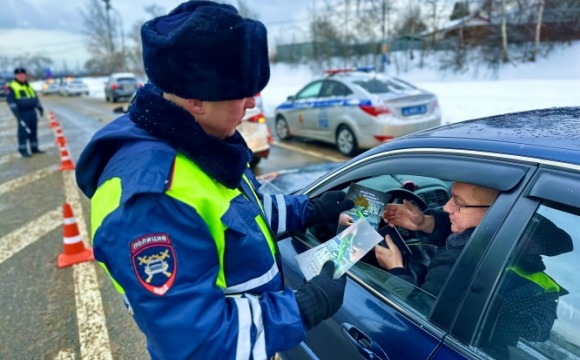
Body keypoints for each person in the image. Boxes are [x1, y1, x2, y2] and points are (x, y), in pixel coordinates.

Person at [75, 1, 354, 359]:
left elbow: (237, 216)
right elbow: (200, 343)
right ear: (196, 101)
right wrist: (304, 307)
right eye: (242, 93)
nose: (253, 103)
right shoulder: (151, 200)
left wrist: (309, 209)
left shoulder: (198, 141)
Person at [375, 181, 499, 297]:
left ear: (492, 210)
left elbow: (417, 310)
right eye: (451, 197)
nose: (446, 207)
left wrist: (395, 269)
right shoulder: (499, 236)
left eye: (459, 202)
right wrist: (423, 223)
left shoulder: (455, 265)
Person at [6, 67, 45, 157]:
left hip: (32, 112)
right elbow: (10, 100)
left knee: (33, 131)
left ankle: (34, 148)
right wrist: (15, 111)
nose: (21, 76)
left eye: (23, 75)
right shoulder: (12, 86)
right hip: (22, 113)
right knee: (23, 132)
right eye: (19, 75)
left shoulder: (28, 85)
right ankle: (23, 150)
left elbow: (34, 98)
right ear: (16, 76)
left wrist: (39, 107)